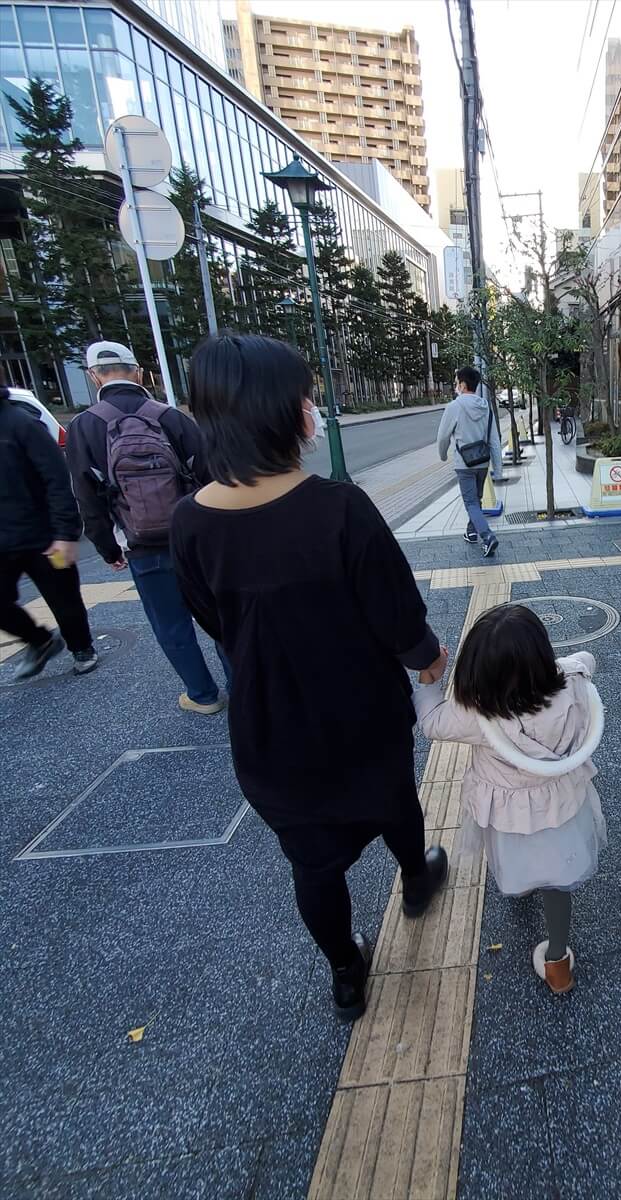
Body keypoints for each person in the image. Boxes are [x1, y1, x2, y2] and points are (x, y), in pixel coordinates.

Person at [171, 333, 449, 1021]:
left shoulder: (188, 523)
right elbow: (398, 618)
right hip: (361, 712)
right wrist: (431, 662)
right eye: (305, 397)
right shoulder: (339, 508)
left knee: (312, 865)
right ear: (280, 413)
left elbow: (214, 622)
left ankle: (347, 973)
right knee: (394, 800)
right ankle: (416, 880)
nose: (312, 409)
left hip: (270, 731)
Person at [414, 605, 606, 995]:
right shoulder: (573, 684)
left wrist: (429, 679)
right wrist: (567, 663)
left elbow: (430, 722)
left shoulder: (479, 713)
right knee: (558, 881)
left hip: (510, 814)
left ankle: (521, 887)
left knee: (516, 860)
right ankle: (558, 964)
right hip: (561, 805)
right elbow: (587, 660)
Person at [66, 341, 226, 714]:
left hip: (141, 544)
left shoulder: (84, 426)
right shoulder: (171, 417)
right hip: (195, 539)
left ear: (94, 376)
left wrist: (108, 548)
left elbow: (86, 497)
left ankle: (203, 696)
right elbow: (209, 476)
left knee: (171, 624)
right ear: (137, 372)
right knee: (221, 616)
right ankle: (243, 685)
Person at [0, 385, 97, 679]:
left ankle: (82, 647)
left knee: (64, 599)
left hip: (44, 534)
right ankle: (39, 640)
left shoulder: (19, 423)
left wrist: (65, 532)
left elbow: (56, 478)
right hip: (3, 541)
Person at [437, 365, 502, 557]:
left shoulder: (454, 407)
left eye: (456, 383)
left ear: (463, 385)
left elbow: (442, 437)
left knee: (471, 503)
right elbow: (495, 440)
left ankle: (487, 536)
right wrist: (498, 469)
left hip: (464, 464)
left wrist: (442, 455)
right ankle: (471, 531)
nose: (455, 386)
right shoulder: (486, 407)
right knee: (476, 500)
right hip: (482, 462)